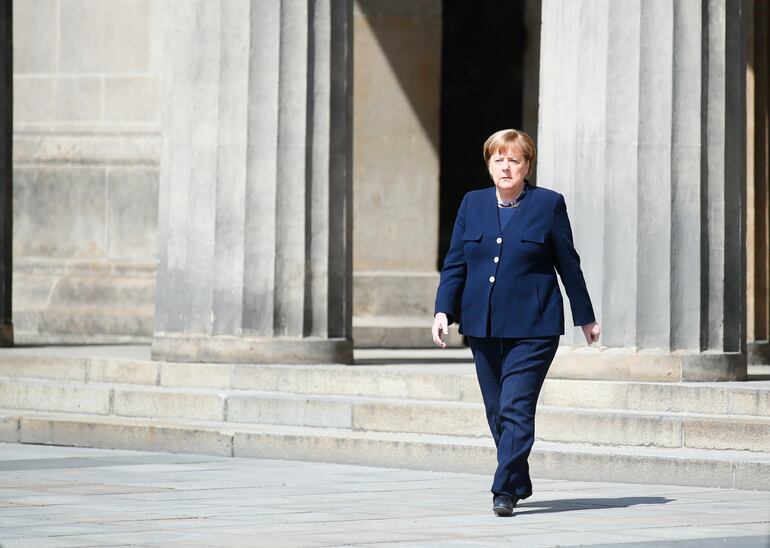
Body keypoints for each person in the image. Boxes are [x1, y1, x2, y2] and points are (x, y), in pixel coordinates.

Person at [431, 129, 601, 517]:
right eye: (498, 159)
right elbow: (456, 262)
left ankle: (504, 489)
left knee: (515, 409)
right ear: (489, 164)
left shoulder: (548, 204)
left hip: (534, 326)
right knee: (496, 411)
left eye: (515, 160)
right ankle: (519, 477)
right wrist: (444, 310)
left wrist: (585, 317)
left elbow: (567, 263)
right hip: (483, 325)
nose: (506, 167)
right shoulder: (472, 203)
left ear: (527, 166)